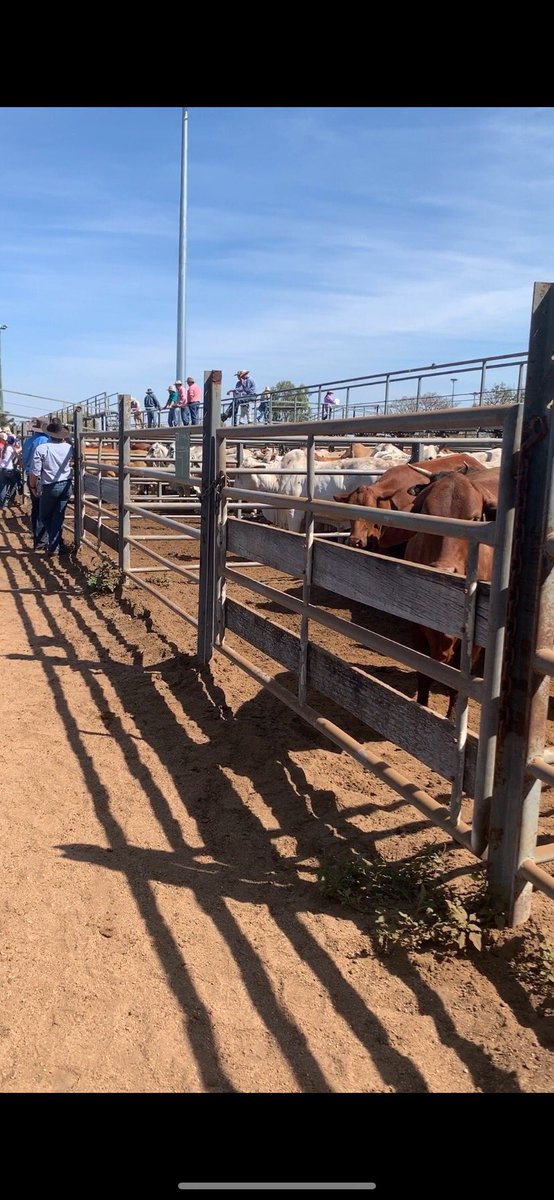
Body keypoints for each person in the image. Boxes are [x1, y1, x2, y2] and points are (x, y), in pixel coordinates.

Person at [29, 420, 74, 557]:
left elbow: (35, 472)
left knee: (44, 516)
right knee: (58, 516)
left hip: (50, 485)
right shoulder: (69, 448)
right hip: (66, 484)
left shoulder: (42, 448)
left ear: (49, 433)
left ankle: (55, 545)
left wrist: (32, 486)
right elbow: (79, 455)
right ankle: (57, 544)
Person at [22, 419, 49, 546]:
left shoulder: (28, 441)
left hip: (30, 475)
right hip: (40, 477)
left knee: (36, 508)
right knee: (44, 509)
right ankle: (43, 540)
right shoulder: (44, 441)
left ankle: (38, 538)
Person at [0, 434, 22, 515]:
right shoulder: (11, 448)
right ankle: (10, 500)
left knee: (2, 487)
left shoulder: (4, 448)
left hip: (2, 468)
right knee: (15, 483)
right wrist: (21, 448)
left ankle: (3, 504)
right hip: (9, 469)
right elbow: (17, 455)